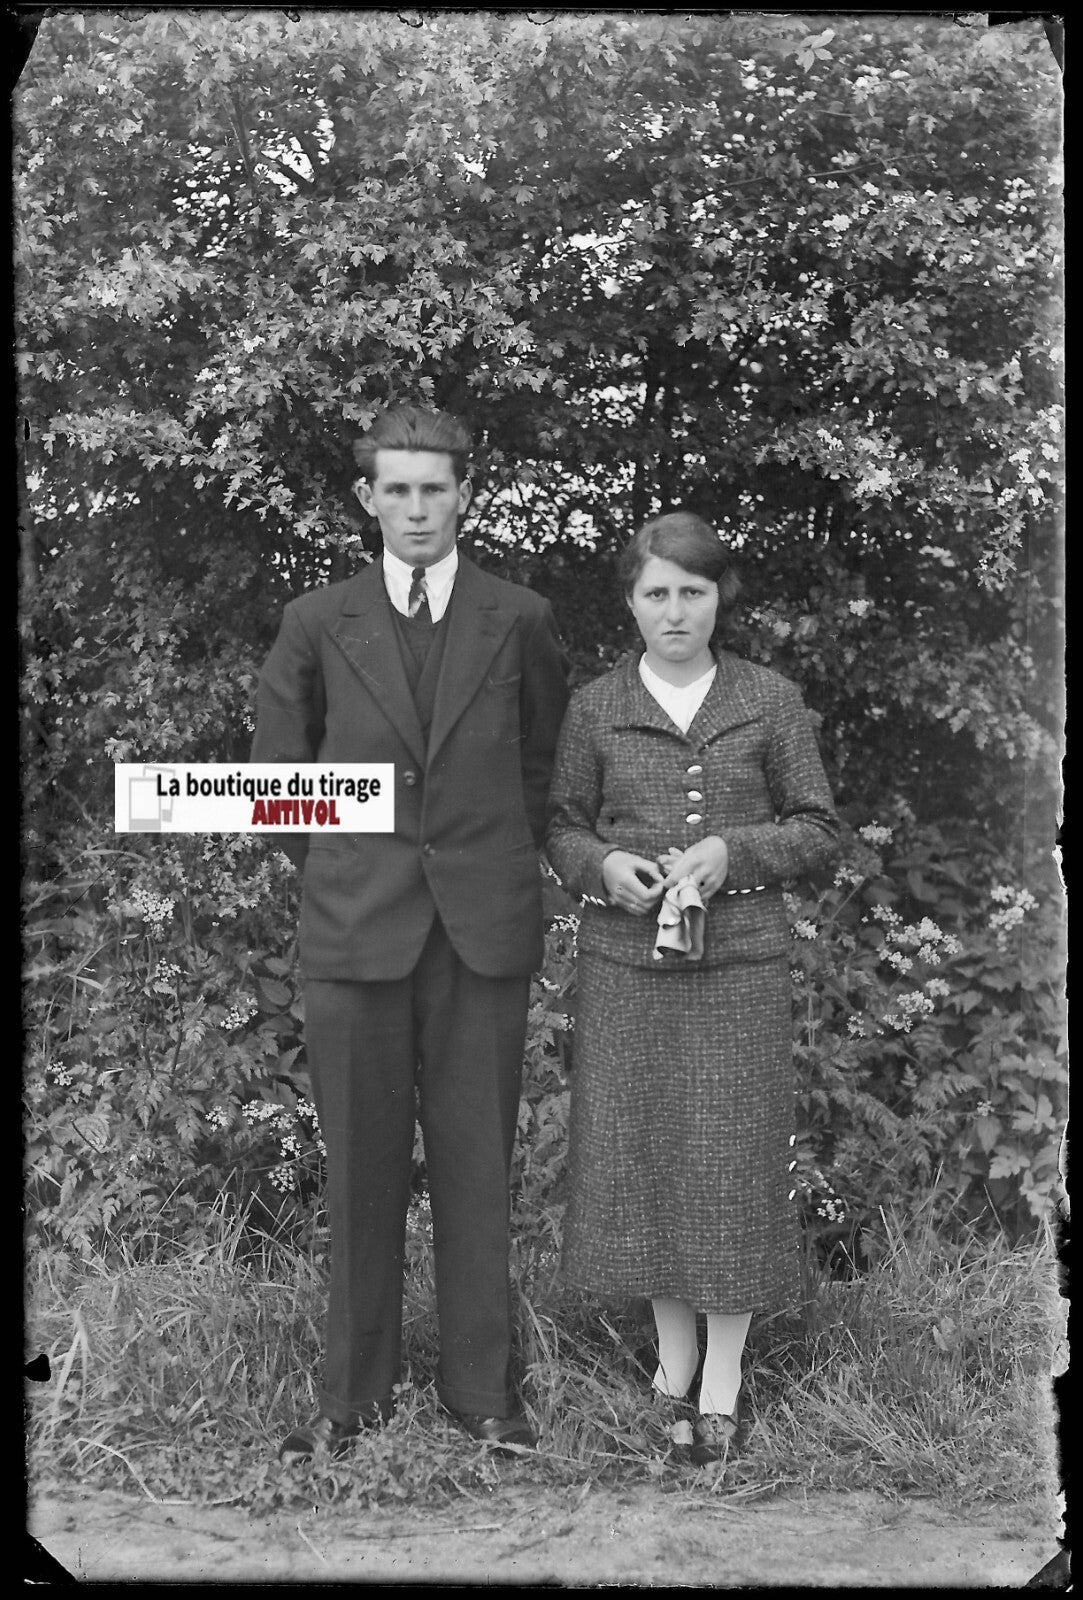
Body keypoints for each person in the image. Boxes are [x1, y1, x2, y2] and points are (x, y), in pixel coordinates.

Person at [252, 405, 568, 1459]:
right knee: (363, 1171)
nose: (419, 508)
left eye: (437, 488)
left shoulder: (518, 617)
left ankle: (482, 1392)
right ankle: (353, 1399)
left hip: (481, 937)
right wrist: (353, 872)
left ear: (466, 493)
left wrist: (484, 865)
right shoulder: (315, 621)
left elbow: (540, 771)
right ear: (368, 498)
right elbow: (278, 786)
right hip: (355, 935)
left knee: (480, 1168)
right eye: (399, 488)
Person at [544, 512, 839, 1465]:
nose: (675, 612)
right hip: (628, 969)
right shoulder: (594, 704)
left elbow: (817, 830)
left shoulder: (770, 698)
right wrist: (604, 867)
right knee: (648, 1162)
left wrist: (732, 852)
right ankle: (672, 1367)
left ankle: (724, 1379)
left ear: (720, 599)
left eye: (693, 592)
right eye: (656, 593)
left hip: (740, 969)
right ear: (631, 602)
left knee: (727, 1165)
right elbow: (560, 827)